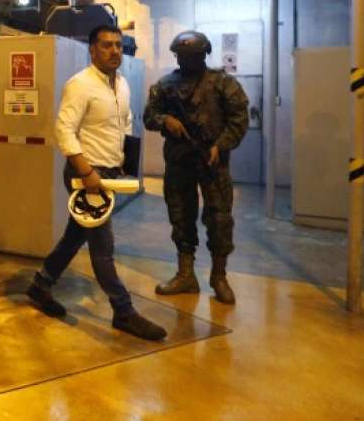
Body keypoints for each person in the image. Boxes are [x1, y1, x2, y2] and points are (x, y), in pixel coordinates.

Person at [26, 25, 168, 342]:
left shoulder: (121, 84)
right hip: (85, 175)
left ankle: (41, 284)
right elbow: (63, 131)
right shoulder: (80, 85)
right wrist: (87, 173)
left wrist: (127, 166)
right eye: (106, 45)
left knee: (74, 237)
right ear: (92, 50)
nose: (114, 51)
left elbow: (125, 124)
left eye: (118, 45)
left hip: (109, 174)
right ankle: (123, 311)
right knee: (103, 248)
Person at [144, 30, 249, 305]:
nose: (186, 61)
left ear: (204, 54)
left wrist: (221, 144)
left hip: (212, 162)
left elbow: (239, 119)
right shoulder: (166, 85)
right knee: (180, 216)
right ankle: (186, 275)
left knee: (220, 219)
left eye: (192, 56)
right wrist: (165, 119)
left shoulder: (224, 84)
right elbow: (148, 116)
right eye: (182, 56)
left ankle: (219, 277)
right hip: (179, 161)